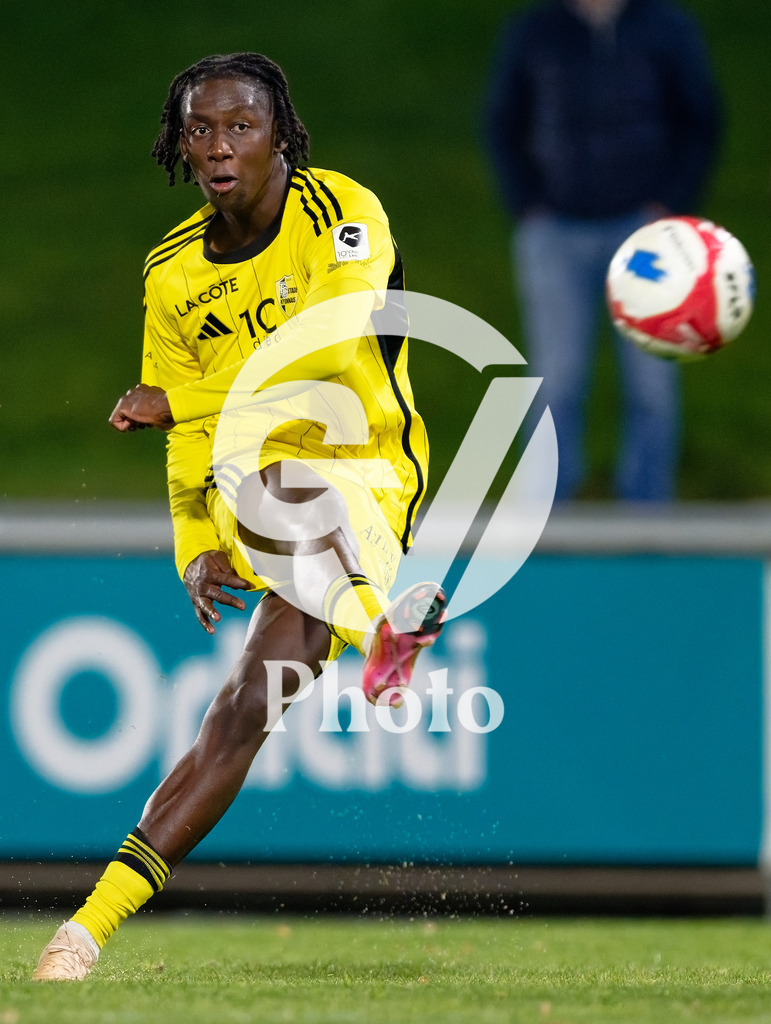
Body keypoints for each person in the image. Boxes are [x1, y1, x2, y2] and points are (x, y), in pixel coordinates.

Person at [33, 52, 445, 981]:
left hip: (370, 473)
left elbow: (334, 353)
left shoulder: (341, 214)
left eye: (242, 127)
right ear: (182, 146)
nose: (221, 148)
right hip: (261, 493)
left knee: (278, 485)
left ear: (282, 137)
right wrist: (192, 545)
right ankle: (84, 932)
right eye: (202, 131)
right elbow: (185, 446)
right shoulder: (174, 273)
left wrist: (182, 402)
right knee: (237, 713)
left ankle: (375, 623)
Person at [486, 0, 721, 500]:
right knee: (556, 380)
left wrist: (672, 203)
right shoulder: (536, 30)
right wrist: (527, 202)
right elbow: (503, 120)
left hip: (645, 232)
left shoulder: (667, 27)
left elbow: (700, 118)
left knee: (653, 385)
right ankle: (547, 514)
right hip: (555, 230)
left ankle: (647, 514)